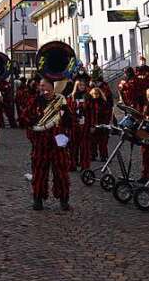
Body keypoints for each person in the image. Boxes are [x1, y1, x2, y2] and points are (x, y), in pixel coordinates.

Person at [23, 78, 72, 211]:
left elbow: (69, 121)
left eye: (44, 85)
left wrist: (66, 116)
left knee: (61, 172)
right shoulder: (35, 101)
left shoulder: (61, 101)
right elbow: (24, 117)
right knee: (39, 172)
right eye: (40, 85)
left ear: (52, 86)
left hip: (58, 141)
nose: (41, 87)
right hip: (40, 142)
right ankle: (38, 199)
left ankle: (64, 200)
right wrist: (36, 122)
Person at [68, 75, 96, 172]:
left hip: (85, 125)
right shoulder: (71, 97)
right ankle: (72, 164)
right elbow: (68, 111)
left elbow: (92, 112)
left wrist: (92, 125)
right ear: (76, 86)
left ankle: (85, 166)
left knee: (85, 147)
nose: (82, 87)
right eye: (80, 85)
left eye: (83, 85)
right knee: (73, 146)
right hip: (73, 124)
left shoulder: (88, 97)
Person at [91, 82, 113, 162]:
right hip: (93, 125)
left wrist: (104, 124)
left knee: (103, 142)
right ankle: (93, 155)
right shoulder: (90, 103)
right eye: (93, 94)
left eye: (97, 93)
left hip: (103, 125)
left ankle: (104, 156)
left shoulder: (104, 103)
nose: (95, 95)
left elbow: (108, 114)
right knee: (93, 142)